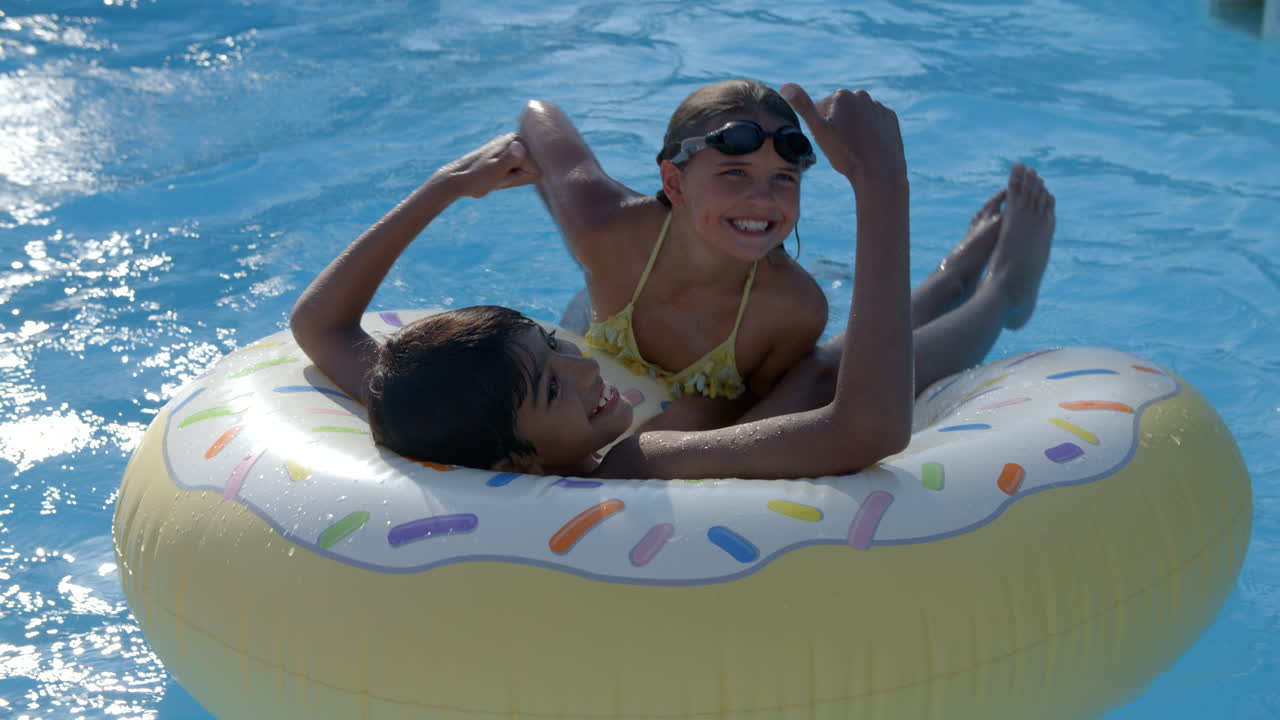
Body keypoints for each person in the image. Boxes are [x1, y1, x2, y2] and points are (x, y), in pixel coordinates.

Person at [291, 84, 1052, 480]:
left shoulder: (441, 403)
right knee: (828, 370)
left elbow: (318, 327)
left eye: (552, 349)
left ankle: (954, 279)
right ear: (516, 462)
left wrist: (448, 185)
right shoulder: (625, 461)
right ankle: (992, 292)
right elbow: (869, 429)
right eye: (554, 386)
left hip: (725, 378)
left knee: (827, 356)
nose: (581, 362)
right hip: (750, 415)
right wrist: (882, 187)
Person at [519, 79, 1034, 431]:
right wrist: (507, 161)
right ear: (675, 183)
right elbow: (538, 117)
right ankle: (952, 280)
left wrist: (695, 420)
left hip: (751, 371)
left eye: (783, 179)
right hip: (611, 329)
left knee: (833, 377)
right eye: (734, 173)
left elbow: (768, 414)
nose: (762, 200)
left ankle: (996, 292)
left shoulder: (790, 306)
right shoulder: (606, 230)